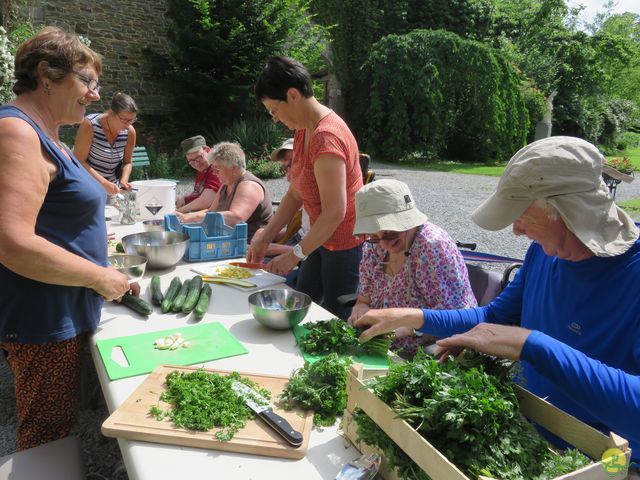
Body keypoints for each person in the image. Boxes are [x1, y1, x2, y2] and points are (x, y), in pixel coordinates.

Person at [353, 136, 640, 463]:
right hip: (530, 433)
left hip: (607, 461)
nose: (516, 230)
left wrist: (534, 345)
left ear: (565, 211)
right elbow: (494, 317)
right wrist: (414, 317)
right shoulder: (543, 253)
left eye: (521, 214)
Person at [0, 27, 132, 451]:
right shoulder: (17, 131)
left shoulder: (45, 130)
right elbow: (12, 243)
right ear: (46, 75)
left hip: (63, 309)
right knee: (47, 440)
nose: (95, 95)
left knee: (60, 430)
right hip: (44, 318)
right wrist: (99, 277)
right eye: (88, 81)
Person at [248, 56, 364, 319]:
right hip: (320, 239)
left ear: (292, 95)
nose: (275, 119)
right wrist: (266, 237)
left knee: (334, 320)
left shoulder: (327, 137)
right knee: (299, 305)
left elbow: (335, 211)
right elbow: (295, 193)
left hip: (343, 245)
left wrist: (295, 255)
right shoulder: (304, 129)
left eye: (273, 110)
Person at [348, 179, 477, 358]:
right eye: (374, 235)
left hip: (423, 355)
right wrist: (360, 308)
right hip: (378, 345)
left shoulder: (432, 247)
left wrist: (408, 328)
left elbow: (456, 320)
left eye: (390, 233)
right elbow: (364, 299)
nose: (383, 244)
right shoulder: (372, 246)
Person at [176, 141, 272, 241]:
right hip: (230, 240)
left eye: (217, 169)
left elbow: (236, 218)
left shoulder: (248, 185)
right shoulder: (226, 184)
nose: (214, 173)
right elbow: (211, 211)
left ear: (233, 168)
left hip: (250, 244)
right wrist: (184, 216)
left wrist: (190, 218)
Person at [175, 134, 221, 213]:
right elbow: (198, 193)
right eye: (191, 161)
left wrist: (178, 212)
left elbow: (205, 202)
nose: (196, 164)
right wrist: (184, 198)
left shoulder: (215, 169)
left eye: (199, 158)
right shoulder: (203, 169)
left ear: (207, 150)